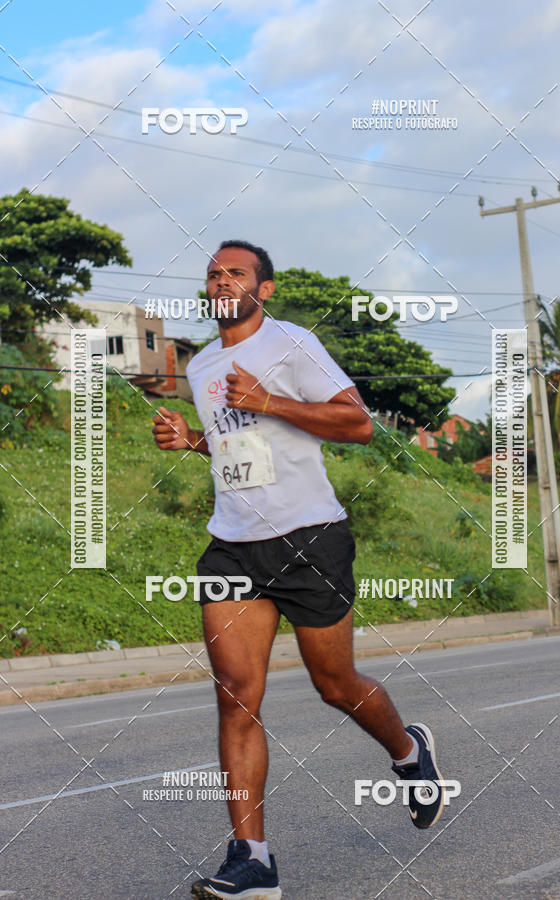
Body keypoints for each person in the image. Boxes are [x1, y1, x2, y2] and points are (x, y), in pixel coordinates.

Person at [152, 241, 445, 900]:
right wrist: (192, 441)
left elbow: (358, 424)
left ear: (264, 289)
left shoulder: (291, 344)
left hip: (311, 538)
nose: (221, 281)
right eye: (213, 274)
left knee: (335, 684)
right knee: (235, 694)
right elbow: (238, 449)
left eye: (235, 272)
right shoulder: (201, 365)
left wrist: (270, 400)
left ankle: (408, 752)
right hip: (233, 545)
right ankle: (252, 860)